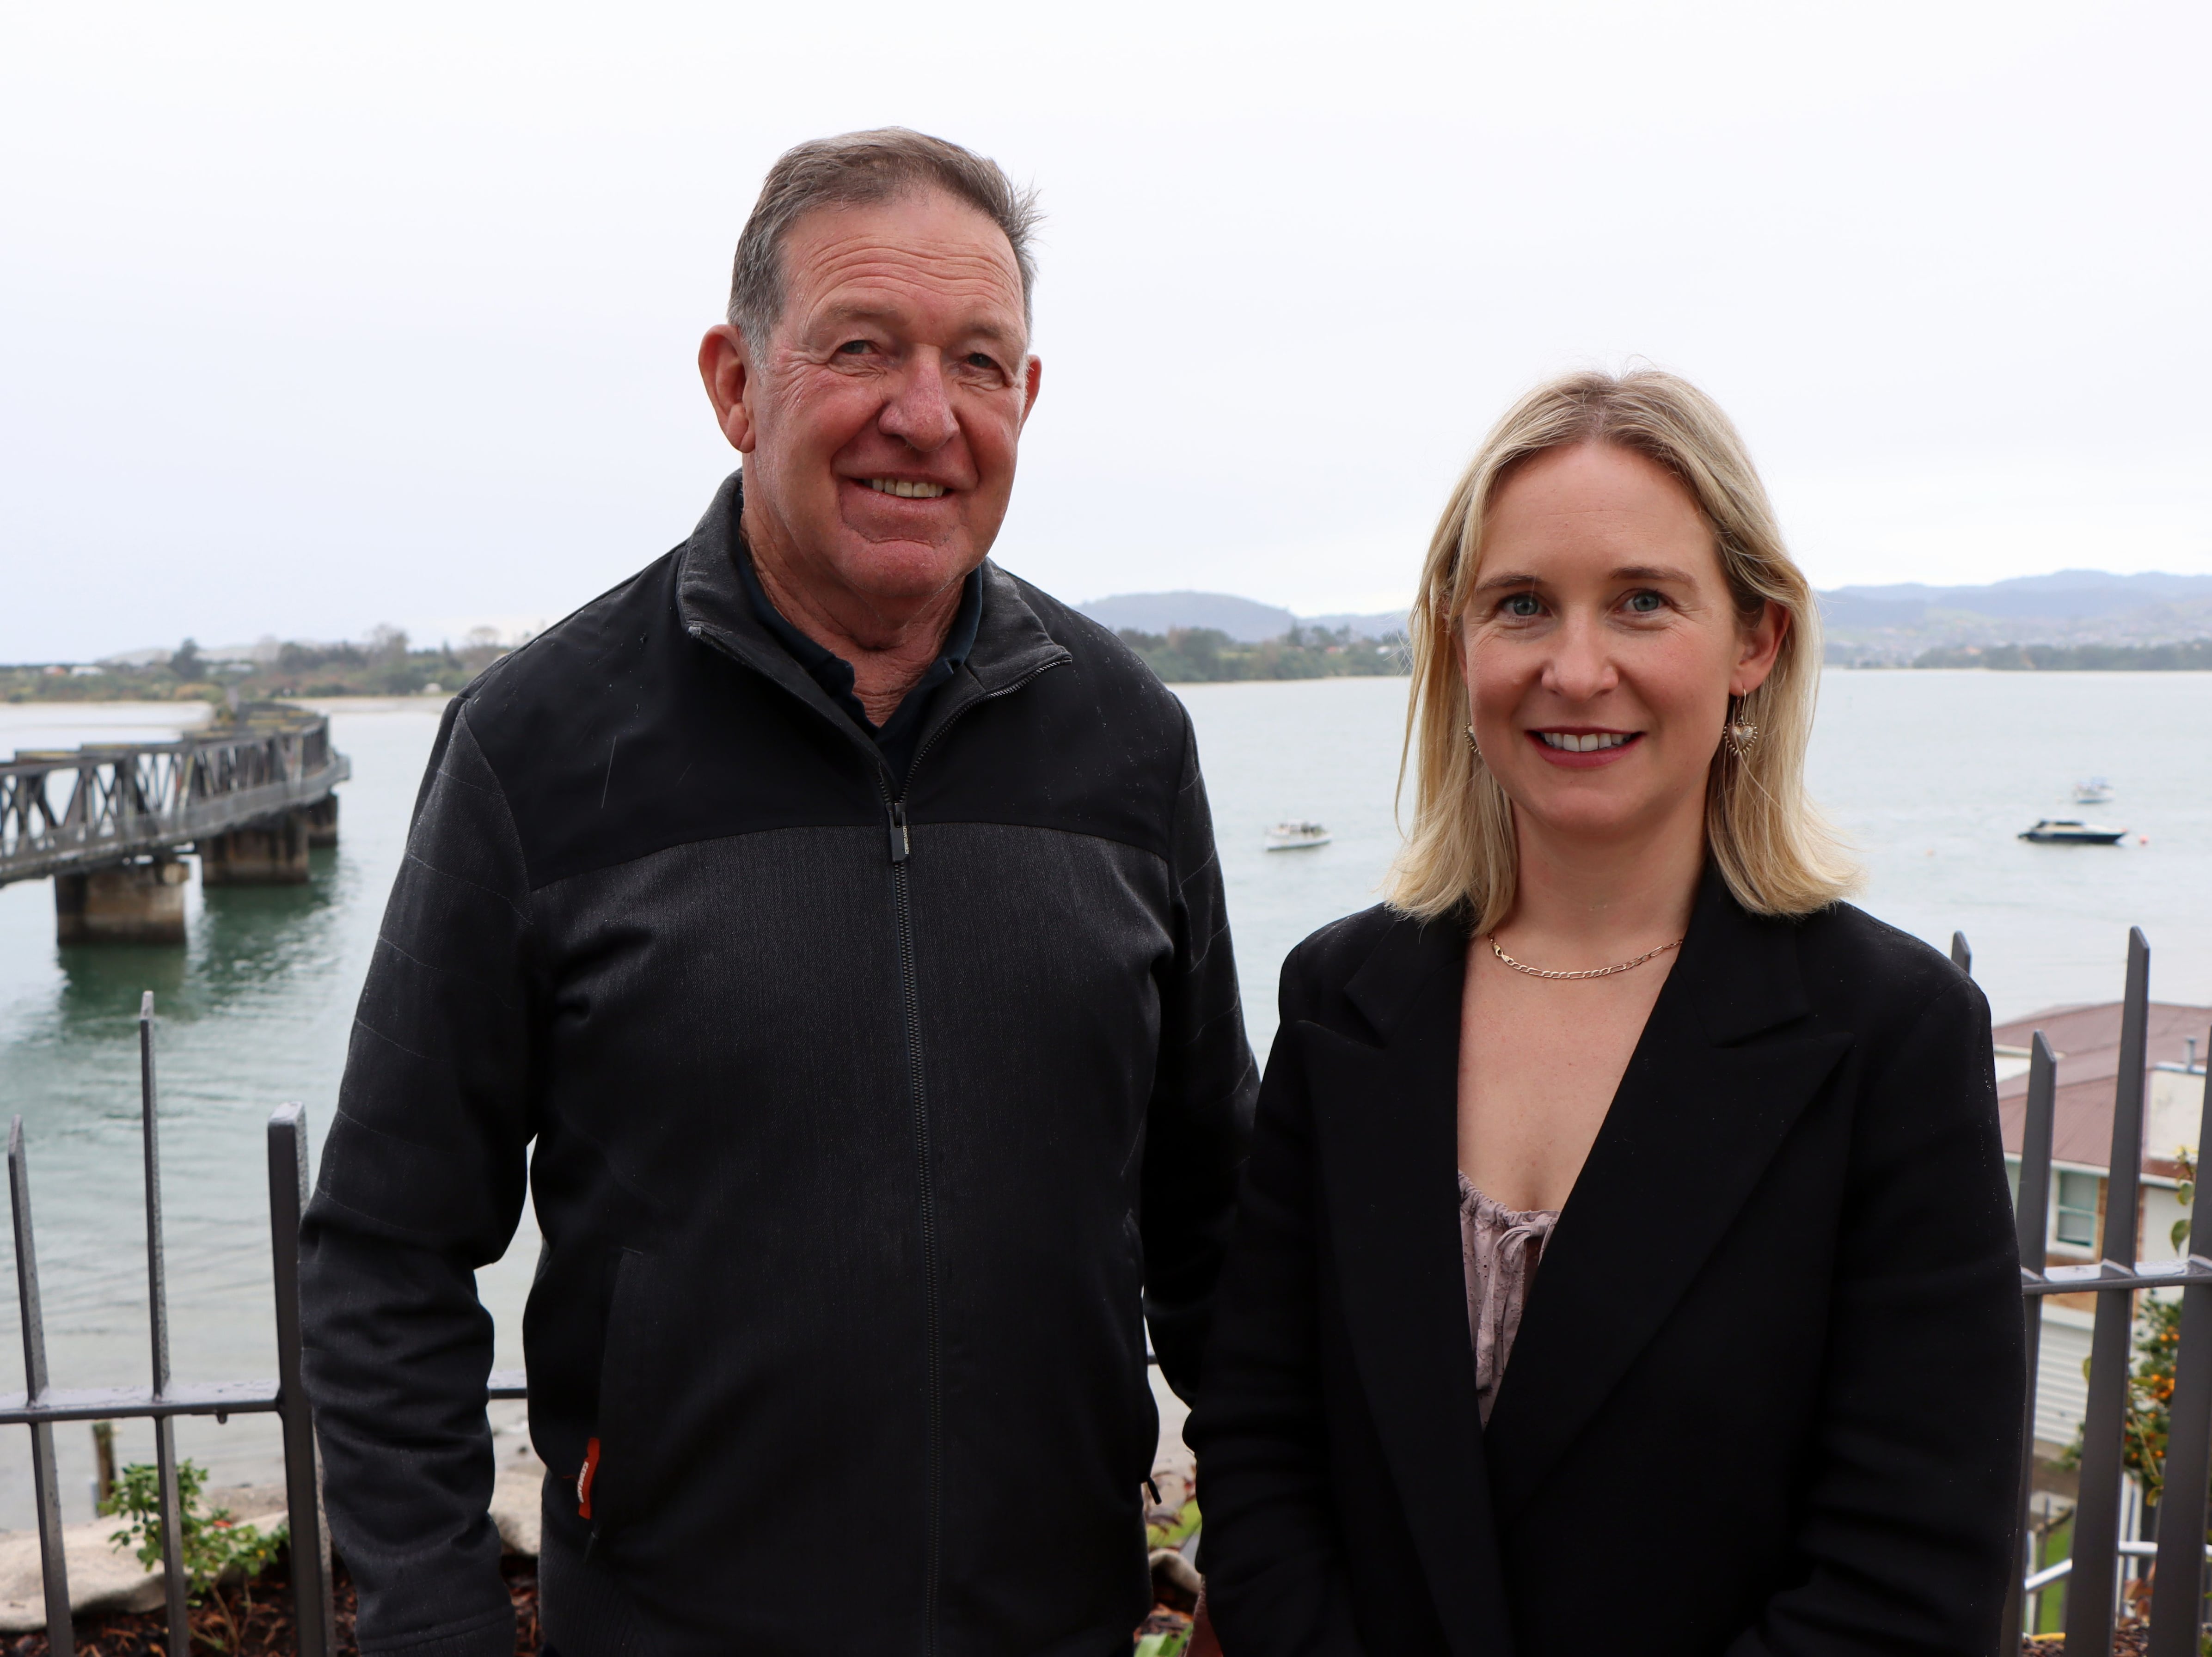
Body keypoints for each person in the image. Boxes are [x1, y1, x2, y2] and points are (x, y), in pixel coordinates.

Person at [300, 128, 1257, 1656]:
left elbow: (1223, 1242)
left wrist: (1263, 1584)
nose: (925, 415)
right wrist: (436, 1624)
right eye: (861, 347)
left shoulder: (1131, 744)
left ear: (1028, 398)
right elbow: (386, 1248)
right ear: (737, 384)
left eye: (980, 361)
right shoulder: (538, 750)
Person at [1187, 370, 2022, 1655]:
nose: (1577, 670)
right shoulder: (1342, 1005)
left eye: (1642, 602)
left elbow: (1910, 1574)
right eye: (1522, 605)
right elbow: (1260, 1443)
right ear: (1460, 644)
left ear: (1757, 641)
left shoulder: (1892, 1036)